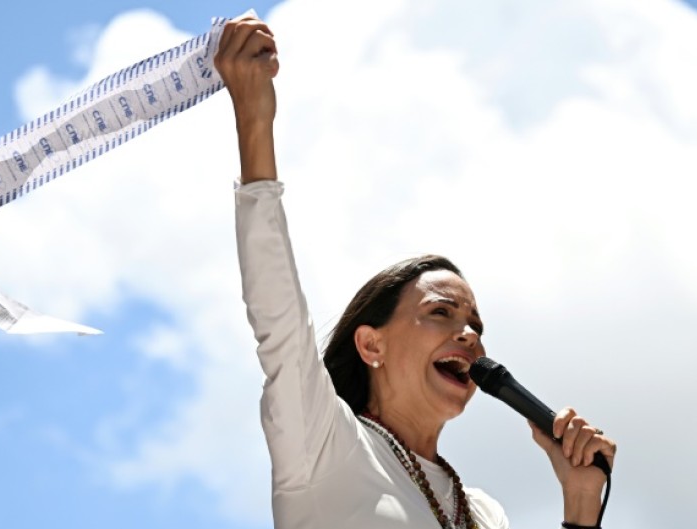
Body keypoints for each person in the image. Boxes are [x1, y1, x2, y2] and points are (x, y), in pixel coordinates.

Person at [215, 15, 617, 529]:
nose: (469, 334)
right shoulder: (323, 442)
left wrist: (581, 503)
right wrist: (253, 117)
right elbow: (278, 313)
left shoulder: (485, 512)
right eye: (441, 312)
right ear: (371, 345)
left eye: (476, 325)